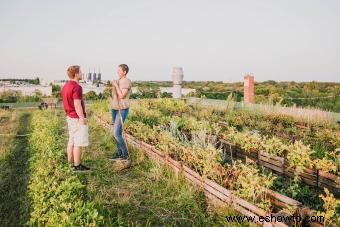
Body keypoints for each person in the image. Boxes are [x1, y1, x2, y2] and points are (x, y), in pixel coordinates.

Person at [61, 65, 90, 172]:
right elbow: (77, 104)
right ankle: (77, 166)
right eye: (81, 72)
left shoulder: (65, 86)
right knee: (78, 143)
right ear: (76, 74)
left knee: (71, 140)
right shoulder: (77, 87)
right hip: (77, 118)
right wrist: (82, 117)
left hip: (69, 117)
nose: (82, 73)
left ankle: (70, 164)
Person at [109, 64, 132, 165]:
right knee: (116, 132)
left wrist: (116, 85)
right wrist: (114, 85)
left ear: (124, 72)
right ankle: (119, 154)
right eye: (117, 70)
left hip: (122, 109)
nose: (117, 72)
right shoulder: (118, 81)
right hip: (115, 108)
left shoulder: (126, 81)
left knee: (116, 133)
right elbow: (114, 95)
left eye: (119, 70)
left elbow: (122, 96)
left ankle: (125, 155)